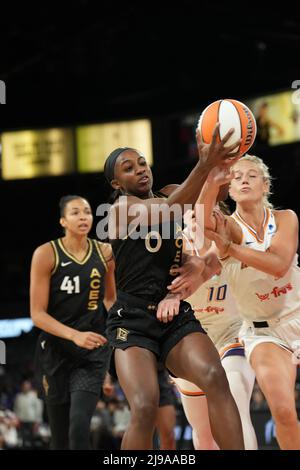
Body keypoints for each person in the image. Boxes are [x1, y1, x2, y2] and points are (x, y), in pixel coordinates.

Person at [103, 127, 245, 450]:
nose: (139, 169)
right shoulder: (120, 211)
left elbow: (214, 197)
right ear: (116, 183)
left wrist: (222, 166)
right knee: (144, 406)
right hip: (132, 321)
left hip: (173, 314)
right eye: (128, 168)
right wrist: (204, 166)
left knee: (214, 375)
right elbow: (170, 212)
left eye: (141, 163)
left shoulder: (168, 192)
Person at [171, 154, 300, 450]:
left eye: (251, 175)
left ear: (265, 185)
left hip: (297, 314)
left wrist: (230, 250)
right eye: (237, 176)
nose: (243, 179)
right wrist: (210, 178)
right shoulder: (228, 227)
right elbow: (203, 225)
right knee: (283, 412)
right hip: (264, 333)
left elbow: (279, 264)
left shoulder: (285, 218)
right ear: (229, 189)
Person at [30, 195, 116, 450]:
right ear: (63, 221)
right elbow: (37, 314)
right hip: (55, 352)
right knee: (60, 439)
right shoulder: (46, 254)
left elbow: (110, 300)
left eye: (87, 212)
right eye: (76, 213)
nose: (83, 217)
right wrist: (74, 335)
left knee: (79, 430)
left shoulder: (104, 252)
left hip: (91, 355)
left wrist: (116, 345)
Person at [172, 219, 257, 449]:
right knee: (204, 432)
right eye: (189, 221)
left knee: (236, 397)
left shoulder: (235, 248)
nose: (195, 226)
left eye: (202, 217)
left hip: (231, 333)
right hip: (190, 340)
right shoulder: (172, 255)